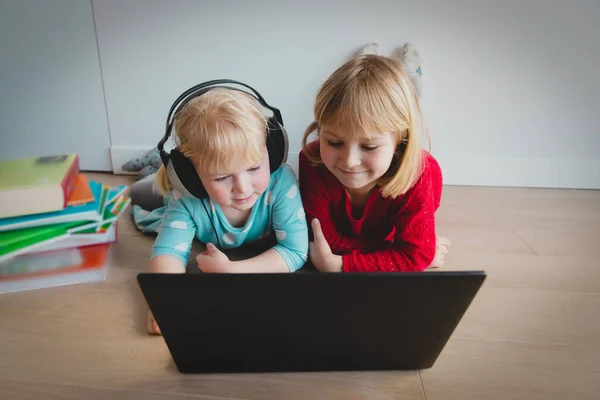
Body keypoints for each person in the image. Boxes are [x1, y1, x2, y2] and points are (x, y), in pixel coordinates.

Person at [143, 84, 308, 333]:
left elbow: (295, 251)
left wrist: (232, 269)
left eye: (253, 168)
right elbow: (168, 251)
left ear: (272, 152)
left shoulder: (282, 181)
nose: (242, 188)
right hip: (166, 197)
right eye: (222, 177)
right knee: (143, 193)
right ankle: (150, 168)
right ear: (190, 177)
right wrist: (164, 300)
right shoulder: (187, 196)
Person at [298, 54, 450, 273]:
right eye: (334, 142)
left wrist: (339, 265)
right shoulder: (312, 161)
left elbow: (414, 252)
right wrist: (403, 253)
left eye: (369, 147)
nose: (349, 162)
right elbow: (325, 240)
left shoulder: (420, 173)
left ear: (400, 141)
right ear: (320, 131)